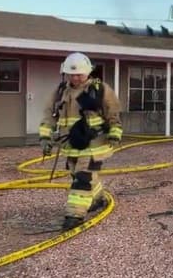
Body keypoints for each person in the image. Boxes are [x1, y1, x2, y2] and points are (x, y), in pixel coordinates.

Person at [39, 53, 123, 230]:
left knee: (82, 179)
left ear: (88, 73)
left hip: (95, 144)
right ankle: (97, 198)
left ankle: (74, 215)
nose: (75, 78)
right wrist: (45, 138)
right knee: (78, 175)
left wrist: (115, 134)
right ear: (65, 74)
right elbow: (49, 116)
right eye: (71, 74)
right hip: (70, 145)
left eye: (79, 74)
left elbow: (113, 115)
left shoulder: (100, 90)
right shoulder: (61, 92)